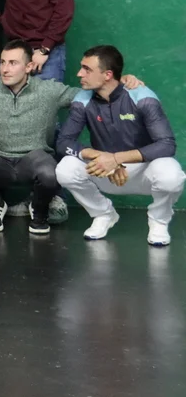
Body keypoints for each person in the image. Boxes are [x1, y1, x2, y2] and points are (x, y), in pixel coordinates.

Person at [56, 45, 184, 246]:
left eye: (87, 69)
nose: (79, 73)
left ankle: (159, 221)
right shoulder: (82, 100)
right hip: (104, 171)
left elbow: (167, 144)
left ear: (108, 74)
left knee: (171, 175)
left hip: (143, 173)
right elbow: (63, 142)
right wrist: (102, 158)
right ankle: (103, 214)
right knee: (65, 168)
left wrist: (116, 159)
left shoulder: (142, 96)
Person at [0, 40, 78, 235]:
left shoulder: (48, 90)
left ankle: (39, 209)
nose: (5, 69)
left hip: (33, 159)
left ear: (29, 66)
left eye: (13, 63)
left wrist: (121, 84)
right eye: (2, 62)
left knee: (50, 172)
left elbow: (84, 96)